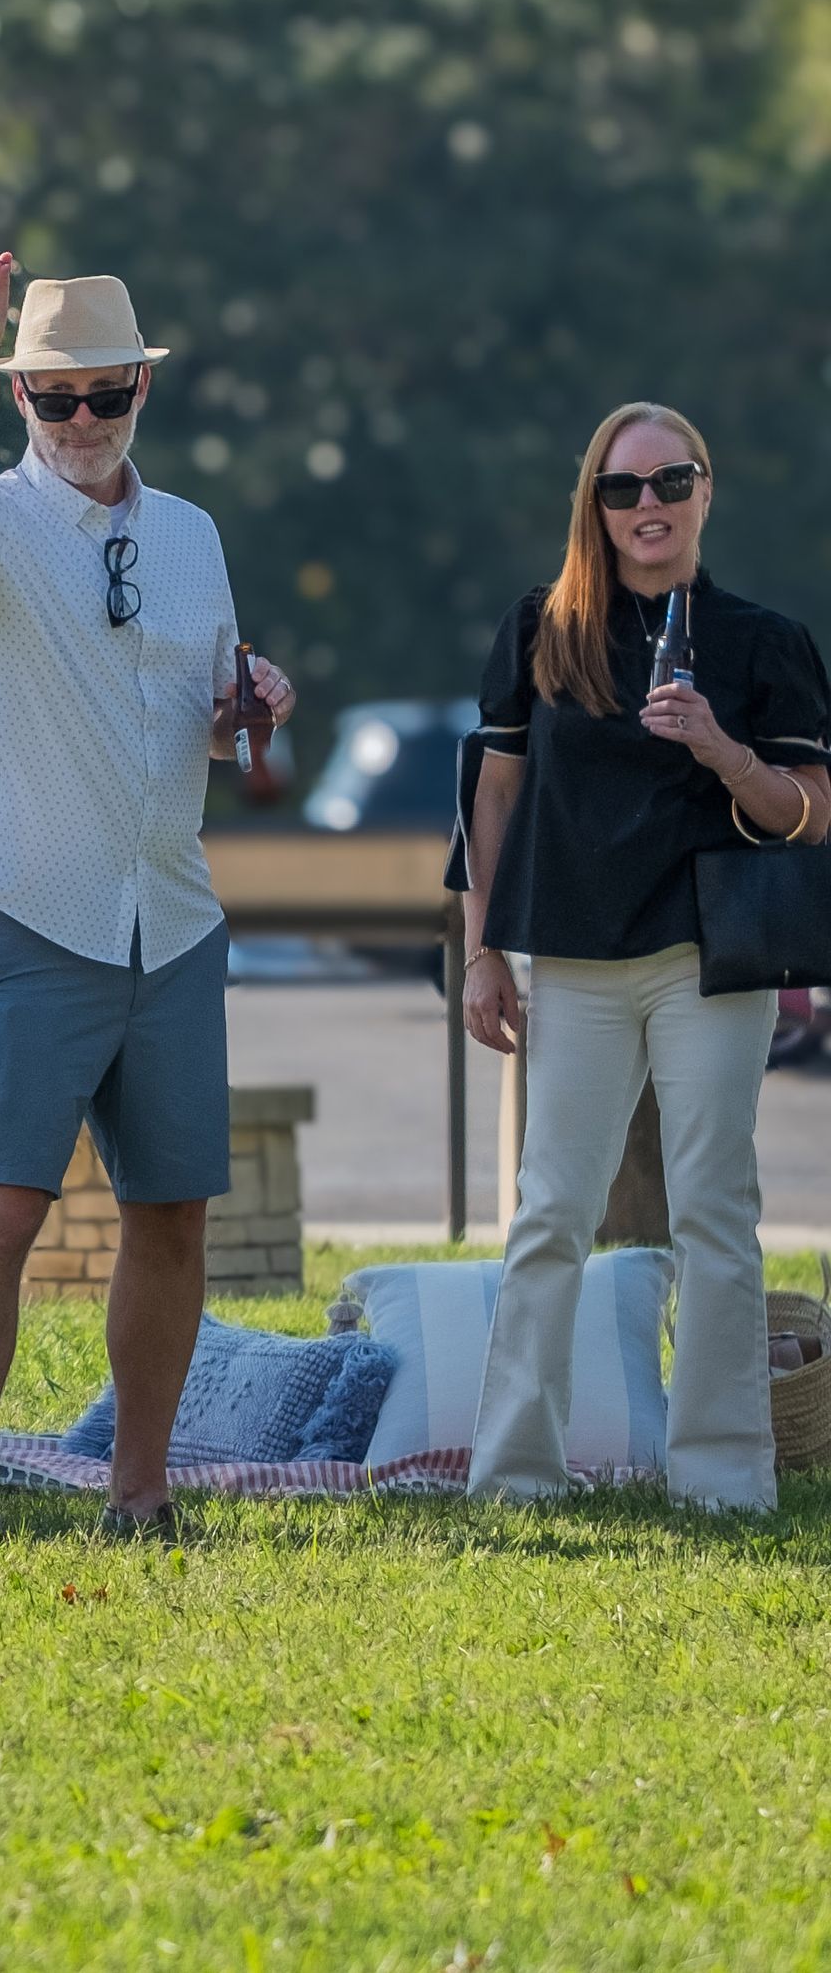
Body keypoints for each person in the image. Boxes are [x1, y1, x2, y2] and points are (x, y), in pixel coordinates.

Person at [0, 257, 291, 1541]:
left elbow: (207, 720)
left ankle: (144, 1491)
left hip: (171, 914)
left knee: (173, 1208)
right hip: (29, 909)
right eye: (53, 399)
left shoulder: (192, 534)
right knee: (1, 1205)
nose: (80, 422)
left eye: (101, 395)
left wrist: (250, 708)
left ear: (137, 389)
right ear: (20, 400)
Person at [458, 405, 828, 1511]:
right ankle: (516, 1473)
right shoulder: (543, 628)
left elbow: (811, 813)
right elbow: (497, 790)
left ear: (706, 491)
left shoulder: (764, 642)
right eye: (623, 490)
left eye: (670, 482)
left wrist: (721, 747)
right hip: (574, 959)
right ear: (597, 505)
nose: (648, 507)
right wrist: (483, 955)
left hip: (710, 958)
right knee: (550, 1212)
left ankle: (720, 1479)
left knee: (715, 1208)